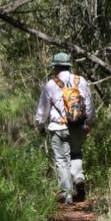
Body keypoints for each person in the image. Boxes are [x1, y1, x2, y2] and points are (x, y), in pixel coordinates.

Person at [35, 52, 95, 205]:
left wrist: (41, 126)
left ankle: (67, 195)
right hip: (78, 127)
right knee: (76, 154)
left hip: (58, 128)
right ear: (69, 66)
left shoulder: (51, 85)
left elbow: (42, 112)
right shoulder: (80, 81)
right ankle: (78, 177)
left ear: (55, 67)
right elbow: (89, 106)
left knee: (62, 161)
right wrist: (88, 123)